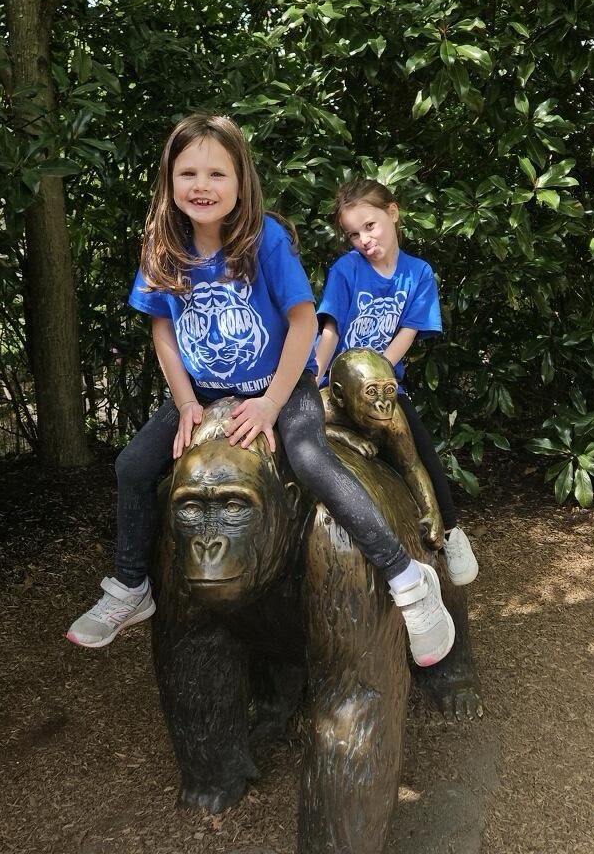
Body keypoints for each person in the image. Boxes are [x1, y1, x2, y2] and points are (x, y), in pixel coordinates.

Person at [67, 115, 455, 666]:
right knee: (133, 465)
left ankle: (406, 577)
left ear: (241, 180)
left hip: (280, 383)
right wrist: (185, 405)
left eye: (216, 173)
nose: (202, 186)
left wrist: (273, 402)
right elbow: (163, 330)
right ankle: (131, 585)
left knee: (311, 460)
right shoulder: (163, 242)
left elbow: (302, 324)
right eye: (188, 173)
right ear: (169, 179)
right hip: (202, 390)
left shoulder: (263, 238)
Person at [315, 179, 479, 587]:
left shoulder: (417, 273)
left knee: (418, 450)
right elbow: (330, 331)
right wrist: (312, 374)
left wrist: (379, 370)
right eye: (353, 234)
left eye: (369, 226)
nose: (363, 240)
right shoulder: (345, 270)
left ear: (392, 212)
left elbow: (408, 330)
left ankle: (453, 531)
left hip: (383, 387)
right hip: (337, 385)